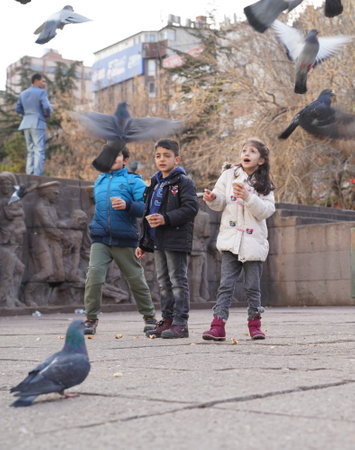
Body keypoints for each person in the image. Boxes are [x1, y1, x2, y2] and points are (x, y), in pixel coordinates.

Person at [202, 138, 275, 341]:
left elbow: (267, 210)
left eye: (252, 151)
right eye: (244, 150)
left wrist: (249, 197)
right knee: (226, 284)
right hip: (231, 240)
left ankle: (255, 324)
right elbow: (220, 199)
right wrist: (212, 198)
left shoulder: (264, 183)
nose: (247, 154)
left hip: (253, 244)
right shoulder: (229, 175)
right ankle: (217, 325)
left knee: (252, 287)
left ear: (260, 160)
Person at [83, 140, 156, 335]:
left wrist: (127, 205)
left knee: (136, 280)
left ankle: (149, 317)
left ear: (125, 160)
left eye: (117, 155)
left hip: (125, 239)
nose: (113, 159)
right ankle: (90, 319)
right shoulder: (99, 180)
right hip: (100, 238)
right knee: (94, 276)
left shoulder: (134, 181)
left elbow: (147, 208)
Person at [136, 139, 199, 339]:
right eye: (158, 156)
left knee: (177, 281)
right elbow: (149, 212)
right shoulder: (155, 183)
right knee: (163, 282)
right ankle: (168, 320)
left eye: (167, 155)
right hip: (158, 241)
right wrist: (143, 243)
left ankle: (181, 323)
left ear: (177, 159)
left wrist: (166, 218)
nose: (162, 159)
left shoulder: (183, 182)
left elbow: (191, 208)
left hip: (176, 239)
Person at [15, 73, 52, 176]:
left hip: (26, 123)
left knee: (30, 150)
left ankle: (29, 174)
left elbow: (17, 109)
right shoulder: (42, 93)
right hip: (38, 123)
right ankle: (37, 175)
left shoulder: (23, 93)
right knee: (39, 150)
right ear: (36, 81)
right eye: (43, 81)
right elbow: (47, 107)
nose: (44, 83)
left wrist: (28, 114)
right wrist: (47, 115)